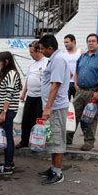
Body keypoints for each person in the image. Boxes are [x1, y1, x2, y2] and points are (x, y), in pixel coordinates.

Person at [37, 34, 71, 185]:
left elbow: (55, 84)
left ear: (50, 48)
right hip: (52, 107)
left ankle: (58, 172)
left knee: (57, 140)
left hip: (55, 108)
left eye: (43, 49)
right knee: (51, 138)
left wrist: (48, 107)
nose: (41, 51)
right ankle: (53, 168)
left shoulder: (58, 60)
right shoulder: (55, 59)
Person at [73, 34, 98, 151]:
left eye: (93, 41)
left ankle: (89, 142)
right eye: (89, 41)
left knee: (90, 118)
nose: (91, 43)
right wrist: (76, 85)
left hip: (93, 92)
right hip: (80, 91)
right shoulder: (82, 57)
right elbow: (76, 72)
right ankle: (68, 137)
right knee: (73, 115)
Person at [0, 51, 22, 176]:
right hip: (6, 111)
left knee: (8, 137)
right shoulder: (8, 73)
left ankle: (8, 166)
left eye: (0, 61)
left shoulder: (11, 74)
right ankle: (8, 161)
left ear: (6, 62)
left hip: (8, 111)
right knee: (6, 135)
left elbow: (9, 94)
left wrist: (3, 112)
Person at [16, 40, 48, 149]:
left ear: (38, 51)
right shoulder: (31, 63)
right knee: (26, 120)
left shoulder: (46, 62)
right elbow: (28, 79)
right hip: (30, 96)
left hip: (41, 97)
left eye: (32, 52)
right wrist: (23, 93)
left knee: (38, 120)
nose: (30, 54)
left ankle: (38, 142)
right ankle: (24, 141)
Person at [63, 34, 83, 101]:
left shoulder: (81, 53)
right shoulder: (63, 54)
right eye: (64, 42)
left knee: (78, 105)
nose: (65, 44)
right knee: (65, 104)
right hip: (66, 83)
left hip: (77, 83)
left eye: (67, 42)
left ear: (73, 41)